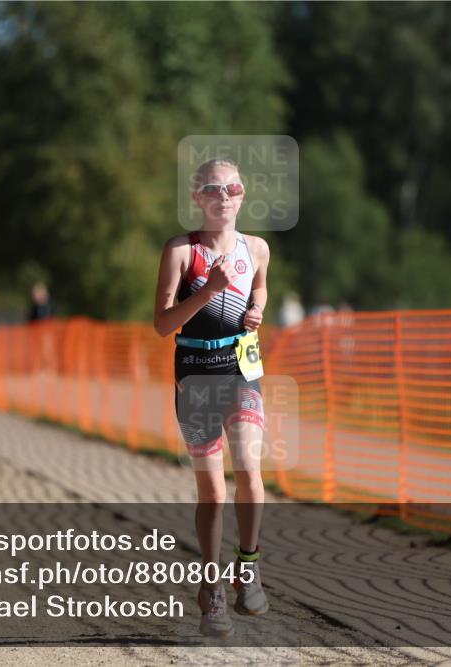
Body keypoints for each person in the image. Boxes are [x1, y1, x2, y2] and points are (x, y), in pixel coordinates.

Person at [153, 158, 270, 636]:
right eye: (213, 189)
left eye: (233, 187)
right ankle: (212, 589)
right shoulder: (182, 251)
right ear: (197, 198)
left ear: (243, 196)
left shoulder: (258, 248)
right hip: (196, 374)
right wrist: (209, 291)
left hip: (241, 368)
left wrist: (257, 308)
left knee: (248, 465)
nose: (225, 195)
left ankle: (249, 567)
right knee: (215, 491)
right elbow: (162, 324)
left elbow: (259, 288)